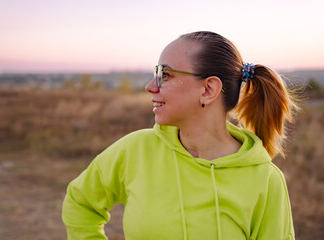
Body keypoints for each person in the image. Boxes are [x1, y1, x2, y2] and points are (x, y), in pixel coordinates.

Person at [62, 31, 297, 240]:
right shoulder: (135, 150)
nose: (150, 86)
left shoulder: (266, 180)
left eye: (166, 74)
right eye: (157, 73)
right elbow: (80, 202)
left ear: (208, 90)